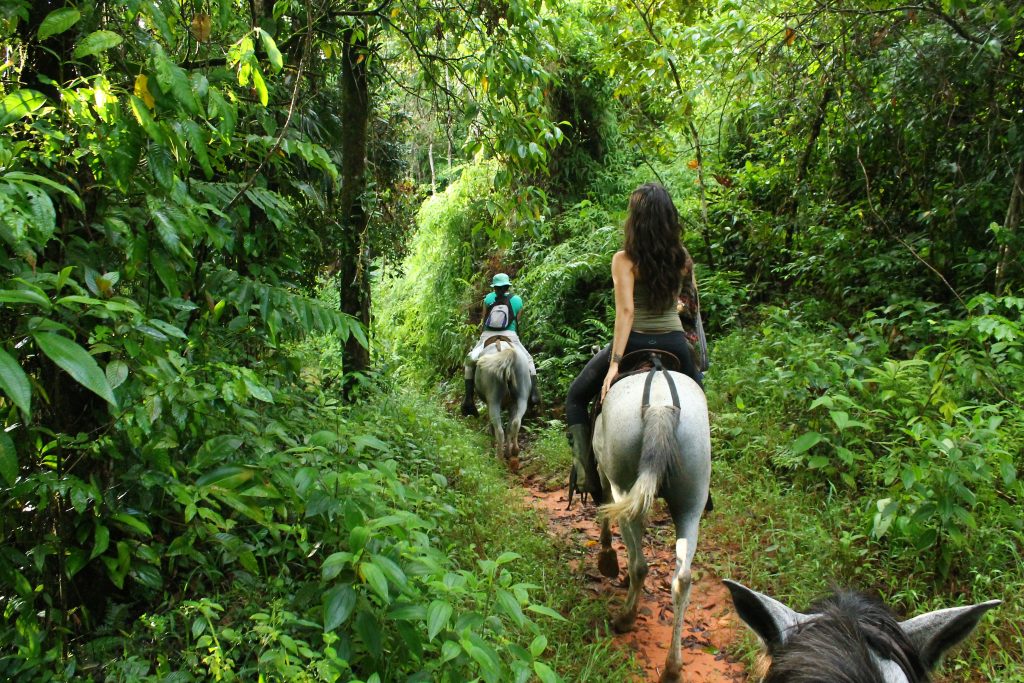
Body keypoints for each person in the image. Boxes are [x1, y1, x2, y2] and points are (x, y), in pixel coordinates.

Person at [565, 183, 704, 504]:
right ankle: (703, 488)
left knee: (575, 396)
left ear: (636, 220)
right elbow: (692, 308)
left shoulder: (623, 260)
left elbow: (626, 312)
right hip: (675, 343)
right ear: (669, 219)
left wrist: (615, 363)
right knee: (700, 400)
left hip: (634, 342)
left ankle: (587, 477)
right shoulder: (683, 259)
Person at [461, 272, 541, 416]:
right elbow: (517, 321)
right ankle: (534, 394)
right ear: (507, 286)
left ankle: (468, 399)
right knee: (529, 359)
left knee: (469, 360)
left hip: (488, 336)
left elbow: (484, 319)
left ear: (494, 287)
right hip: (510, 336)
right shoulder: (517, 300)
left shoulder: (488, 298)